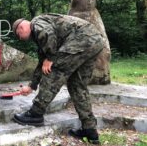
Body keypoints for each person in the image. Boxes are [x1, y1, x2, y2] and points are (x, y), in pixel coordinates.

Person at [12, 13, 104, 145]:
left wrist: (50, 58)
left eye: (19, 35)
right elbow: (41, 62)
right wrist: (32, 85)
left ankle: (35, 114)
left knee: (53, 72)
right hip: (94, 41)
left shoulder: (36, 23)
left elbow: (48, 35)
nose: (21, 39)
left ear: (21, 28)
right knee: (77, 86)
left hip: (81, 39)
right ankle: (90, 130)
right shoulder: (39, 36)